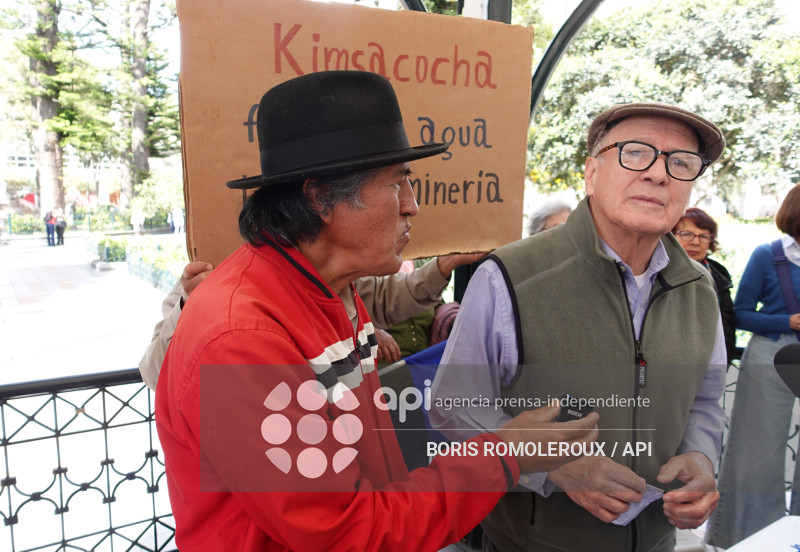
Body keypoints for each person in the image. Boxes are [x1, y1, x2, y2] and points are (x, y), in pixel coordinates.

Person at [155, 71, 599, 552]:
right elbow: (345, 531)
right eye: (397, 186)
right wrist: (504, 455)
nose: (412, 207)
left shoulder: (327, 291)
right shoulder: (242, 336)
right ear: (319, 197)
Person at [431, 102, 728, 552]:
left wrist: (702, 458)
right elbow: (453, 406)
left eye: (681, 163)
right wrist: (552, 465)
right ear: (591, 173)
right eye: (635, 153)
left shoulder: (699, 287)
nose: (658, 174)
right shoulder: (511, 274)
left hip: (656, 541)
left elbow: (706, 398)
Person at [139, 254, 481, 391]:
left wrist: (440, 268)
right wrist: (191, 304)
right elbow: (157, 373)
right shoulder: (203, 275)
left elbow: (385, 298)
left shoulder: (330, 269)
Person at [705, 186, 800, 548]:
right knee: (756, 453)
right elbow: (741, 313)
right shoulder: (767, 255)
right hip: (769, 356)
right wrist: (786, 321)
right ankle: (747, 538)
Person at [672, 207, 737, 365]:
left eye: (703, 236)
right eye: (686, 234)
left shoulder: (718, 275)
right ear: (669, 236)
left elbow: (726, 326)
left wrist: (724, 364)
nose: (695, 242)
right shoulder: (656, 273)